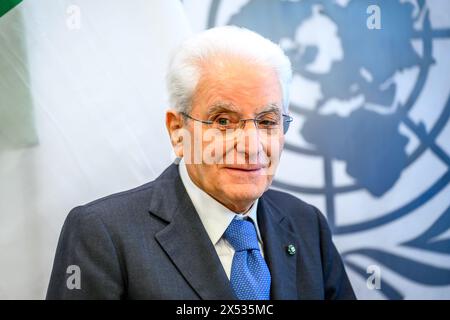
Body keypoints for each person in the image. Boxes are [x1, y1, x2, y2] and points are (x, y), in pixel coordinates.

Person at [46, 26, 355, 300]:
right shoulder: (103, 233)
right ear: (178, 132)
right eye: (223, 121)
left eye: (267, 121)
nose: (251, 146)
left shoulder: (306, 224)